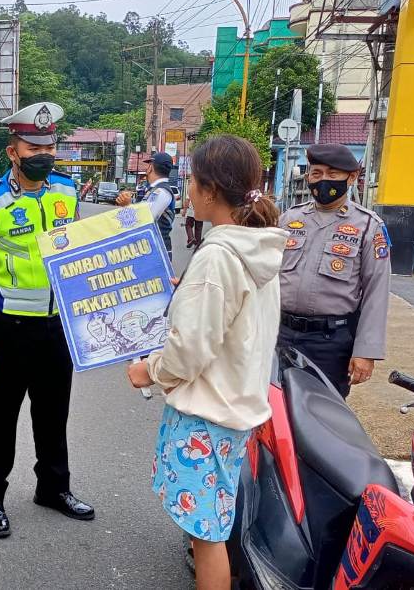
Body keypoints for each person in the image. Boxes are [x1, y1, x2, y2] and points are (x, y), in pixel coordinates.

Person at [126, 135, 286, 590]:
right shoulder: (251, 245)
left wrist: (149, 371)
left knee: (206, 535)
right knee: (213, 520)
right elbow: (231, 321)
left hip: (207, 414)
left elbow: (189, 350)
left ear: (211, 189)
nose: (187, 191)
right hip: (234, 407)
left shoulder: (218, 254)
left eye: (192, 181)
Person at [0, 101, 94, 539]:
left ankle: (54, 489)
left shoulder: (67, 192)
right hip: (9, 328)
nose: (43, 152)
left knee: (54, 412)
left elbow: (77, 256)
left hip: (56, 327)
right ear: (12, 151)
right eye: (33, 145)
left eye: (49, 144)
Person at [278, 144, 390, 398]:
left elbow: (377, 291)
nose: (323, 180)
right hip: (280, 333)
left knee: (322, 416)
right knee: (273, 411)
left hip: (329, 342)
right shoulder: (288, 219)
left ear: (351, 178)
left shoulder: (368, 226)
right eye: (316, 173)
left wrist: (366, 351)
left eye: (332, 174)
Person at [116, 152, 178, 258]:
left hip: (158, 250)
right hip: (150, 249)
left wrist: (128, 205)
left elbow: (146, 219)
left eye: (148, 165)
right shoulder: (154, 190)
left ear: (151, 167)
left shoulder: (162, 191)